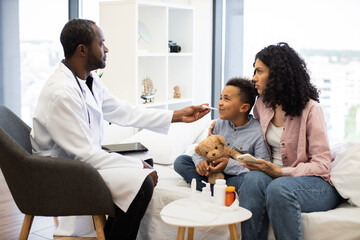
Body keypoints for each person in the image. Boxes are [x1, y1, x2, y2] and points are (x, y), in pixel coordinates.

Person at [30, 19, 210, 240]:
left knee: (142, 170)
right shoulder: (61, 93)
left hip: (81, 164)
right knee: (141, 183)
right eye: (101, 43)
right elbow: (85, 154)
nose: (106, 49)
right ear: (83, 50)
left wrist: (177, 115)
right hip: (60, 174)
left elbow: (125, 112)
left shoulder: (88, 80)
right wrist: (136, 166)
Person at [238, 42, 344, 240]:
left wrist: (281, 172)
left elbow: (322, 165)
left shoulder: (311, 109)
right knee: (252, 180)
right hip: (274, 177)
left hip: (313, 184)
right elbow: (249, 132)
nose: (254, 77)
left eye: (259, 71)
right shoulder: (261, 105)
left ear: (277, 74)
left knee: (280, 188)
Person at [174, 77, 270, 192]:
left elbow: (262, 170)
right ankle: (220, 191)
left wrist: (228, 165)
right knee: (181, 161)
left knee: (253, 179)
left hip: (236, 177)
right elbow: (202, 150)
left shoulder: (257, 132)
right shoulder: (219, 124)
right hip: (214, 174)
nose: (220, 103)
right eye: (220, 98)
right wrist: (201, 162)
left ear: (244, 107)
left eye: (226, 99)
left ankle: (209, 188)